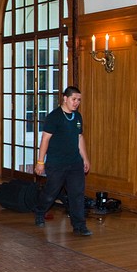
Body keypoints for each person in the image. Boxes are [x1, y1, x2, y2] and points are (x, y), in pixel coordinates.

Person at [33, 86, 92, 236]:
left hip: (75, 163)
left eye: (79, 100)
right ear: (65, 99)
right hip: (56, 163)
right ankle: (40, 211)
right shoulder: (54, 117)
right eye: (74, 99)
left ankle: (79, 226)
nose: (76, 102)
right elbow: (45, 139)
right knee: (51, 192)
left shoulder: (77, 117)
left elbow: (79, 138)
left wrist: (85, 158)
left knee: (77, 194)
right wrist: (40, 162)